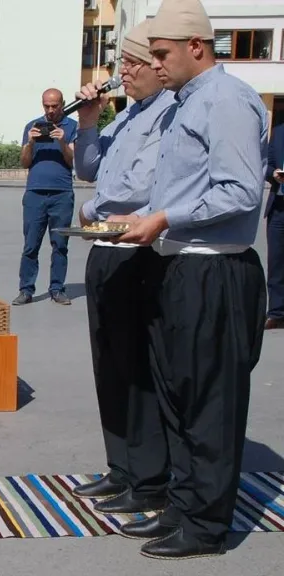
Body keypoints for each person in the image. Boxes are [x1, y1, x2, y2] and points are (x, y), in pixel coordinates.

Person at [111, 0, 269, 559]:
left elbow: (240, 191)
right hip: (179, 264)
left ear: (195, 47)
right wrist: (145, 215)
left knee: (209, 403)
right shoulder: (187, 102)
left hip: (215, 269)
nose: (154, 65)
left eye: (160, 54)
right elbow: (178, 185)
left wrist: (165, 217)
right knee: (177, 398)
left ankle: (206, 527)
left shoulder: (226, 100)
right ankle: (182, 507)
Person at [69, 21, 177, 516]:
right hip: (104, 248)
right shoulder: (129, 117)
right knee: (108, 364)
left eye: (135, 64)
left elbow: (136, 187)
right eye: (123, 65)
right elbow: (89, 169)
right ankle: (122, 468)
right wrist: (88, 122)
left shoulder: (167, 116)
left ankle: (149, 477)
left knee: (136, 368)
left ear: (160, 66)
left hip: (137, 250)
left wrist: (91, 211)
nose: (126, 74)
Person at [14, 88, 79, 306]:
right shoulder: (32, 126)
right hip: (35, 193)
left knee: (60, 245)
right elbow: (24, 162)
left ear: (62, 104)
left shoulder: (72, 127)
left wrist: (62, 142)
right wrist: (31, 143)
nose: (50, 111)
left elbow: (73, 162)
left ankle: (57, 289)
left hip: (62, 194)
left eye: (54, 106)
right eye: (46, 106)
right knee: (30, 245)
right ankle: (26, 290)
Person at [265, 125, 284, 329]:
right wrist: (274, 174)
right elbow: (267, 165)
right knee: (276, 263)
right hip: (278, 208)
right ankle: (277, 313)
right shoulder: (279, 132)